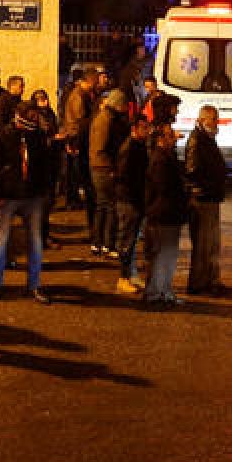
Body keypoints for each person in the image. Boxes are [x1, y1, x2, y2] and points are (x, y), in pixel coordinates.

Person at [0, 98, 52, 304]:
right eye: (30, 117)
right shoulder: (2, 135)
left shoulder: (38, 136)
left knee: (35, 242)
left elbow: (46, 165)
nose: (34, 120)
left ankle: (34, 285)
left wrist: (45, 191)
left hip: (32, 195)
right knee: (0, 241)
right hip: (7, 196)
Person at [185, 104, 231, 296]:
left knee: (211, 244)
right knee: (204, 244)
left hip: (210, 196)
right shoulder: (198, 140)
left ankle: (211, 280)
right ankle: (199, 283)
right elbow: (193, 170)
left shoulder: (206, 138)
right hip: (203, 198)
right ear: (204, 120)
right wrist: (208, 185)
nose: (217, 122)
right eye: (214, 119)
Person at [143, 123, 188, 306]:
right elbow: (164, 188)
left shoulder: (165, 156)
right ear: (161, 140)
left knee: (168, 254)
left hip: (168, 213)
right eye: (170, 135)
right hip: (164, 214)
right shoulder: (160, 160)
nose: (175, 138)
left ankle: (164, 291)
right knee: (163, 254)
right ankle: (155, 293)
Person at [89, 89, 130, 257]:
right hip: (103, 169)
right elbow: (100, 148)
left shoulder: (106, 118)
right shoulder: (106, 120)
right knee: (110, 206)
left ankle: (97, 243)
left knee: (102, 206)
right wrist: (111, 169)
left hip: (98, 167)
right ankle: (107, 244)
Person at [113, 115, 151, 295]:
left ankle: (131, 275)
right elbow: (125, 177)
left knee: (133, 241)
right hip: (129, 201)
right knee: (127, 241)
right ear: (134, 128)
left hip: (135, 200)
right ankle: (123, 277)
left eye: (147, 127)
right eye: (143, 127)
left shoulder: (139, 146)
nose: (147, 131)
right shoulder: (129, 149)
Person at [59, 69, 96, 213]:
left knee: (75, 171)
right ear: (89, 81)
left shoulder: (82, 94)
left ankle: (74, 200)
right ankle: (72, 200)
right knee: (75, 172)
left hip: (76, 136)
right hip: (76, 138)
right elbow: (79, 121)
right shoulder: (79, 96)